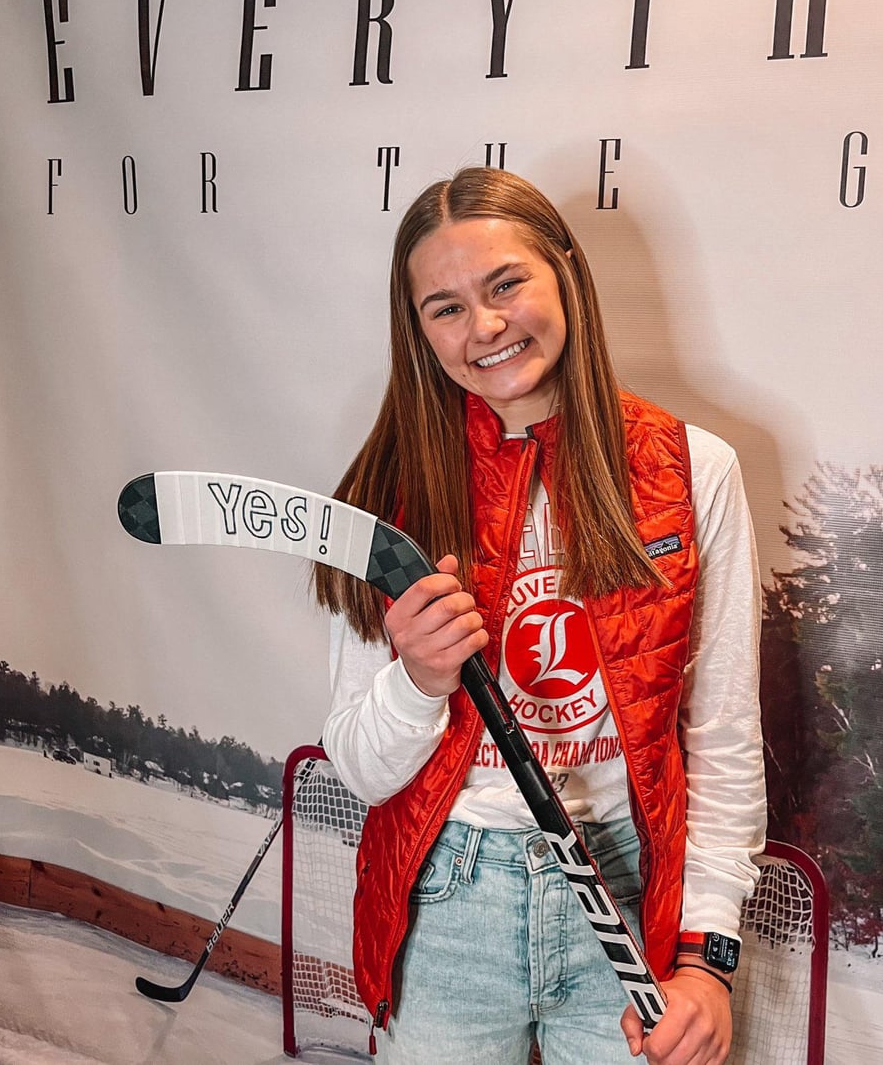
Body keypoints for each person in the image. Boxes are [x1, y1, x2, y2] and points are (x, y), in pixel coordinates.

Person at [316, 168, 766, 1065]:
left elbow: (722, 735)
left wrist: (707, 957)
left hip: (625, 900)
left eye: (505, 284)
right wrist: (419, 680)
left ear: (565, 270)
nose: (484, 326)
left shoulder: (694, 470)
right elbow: (361, 770)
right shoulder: (384, 495)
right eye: (445, 307)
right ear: (417, 329)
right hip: (448, 903)